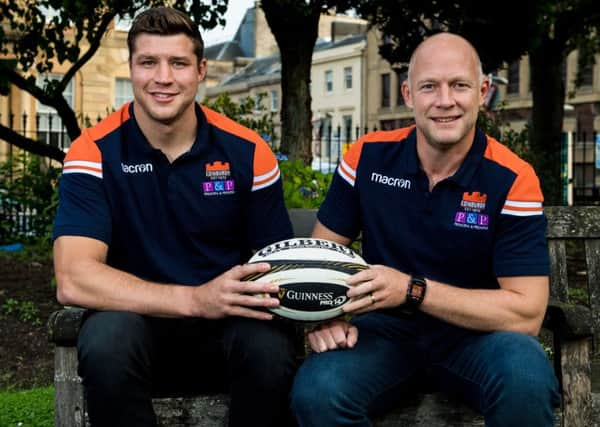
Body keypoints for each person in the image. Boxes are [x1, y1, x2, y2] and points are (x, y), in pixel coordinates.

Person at [291, 32, 560, 426]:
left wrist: (412, 289)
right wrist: (324, 318)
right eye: (429, 86)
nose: (445, 100)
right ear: (408, 94)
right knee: (319, 391)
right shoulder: (367, 156)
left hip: (477, 337)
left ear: (483, 92)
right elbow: (319, 261)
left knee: (526, 376)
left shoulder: (512, 178)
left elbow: (525, 313)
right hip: (383, 334)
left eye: (460, 85)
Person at [52, 7, 297, 427]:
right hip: (136, 330)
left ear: (201, 70)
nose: (163, 77)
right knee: (107, 338)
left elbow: (278, 268)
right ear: (132, 68)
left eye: (178, 63)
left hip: (227, 332)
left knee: (270, 345)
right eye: (149, 62)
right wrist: (194, 300)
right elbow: (73, 278)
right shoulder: (93, 151)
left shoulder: (247, 151)